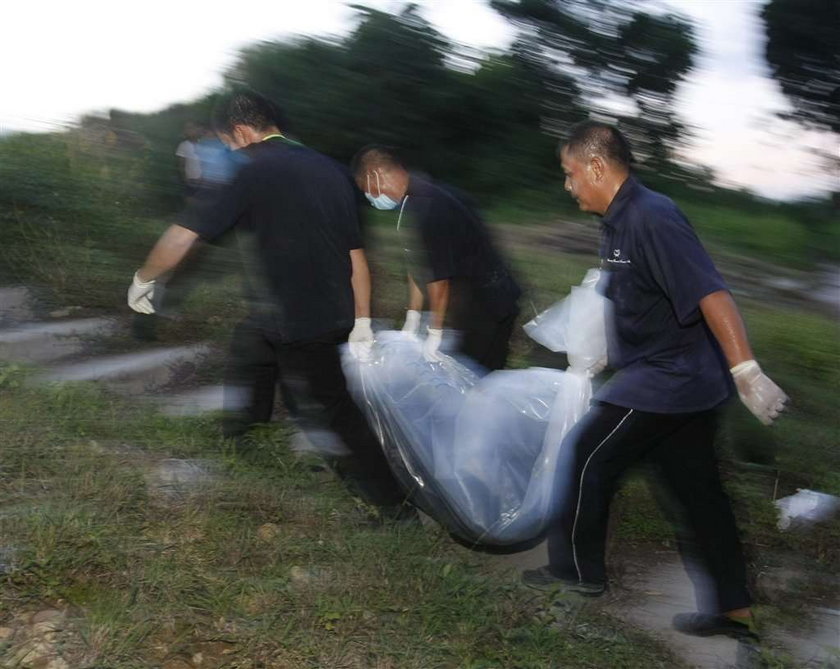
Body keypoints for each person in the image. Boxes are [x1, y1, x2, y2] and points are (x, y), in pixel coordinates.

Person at [522, 121, 788, 640]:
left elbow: (712, 294)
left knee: (586, 458)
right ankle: (734, 610)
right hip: (674, 379)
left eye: (570, 173)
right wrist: (601, 348)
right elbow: (632, 295)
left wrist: (747, 370)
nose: (568, 184)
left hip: (670, 380)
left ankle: (576, 573)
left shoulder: (652, 216)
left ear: (597, 167)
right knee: (698, 493)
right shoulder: (618, 221)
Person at [127, 88, 410, 515]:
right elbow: (356, 256)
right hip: (321, 310)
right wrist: (363, 320)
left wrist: (143, 279)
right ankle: (244, 444)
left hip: (300, 319)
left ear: (241, 132)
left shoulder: (251, 171)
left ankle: (394, 509)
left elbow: (183, 234)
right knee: (250, 352)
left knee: (331, 410)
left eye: (227, 143)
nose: (229, 151)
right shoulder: (331, 170)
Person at [351, 146, 521, 372]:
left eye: (369, 189)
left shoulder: (428, 206)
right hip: (475, 299)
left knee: (479, 375)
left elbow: (440, 280)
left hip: (489, 303)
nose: (371, 197)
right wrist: (413, 317)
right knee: (468, 370)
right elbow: (419, 264)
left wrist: (434, 333)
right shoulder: (416, 198)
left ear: (379, 174)